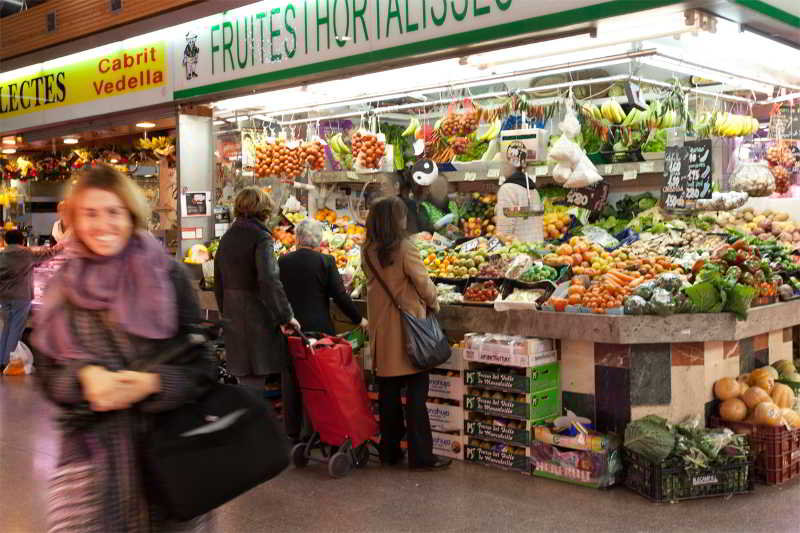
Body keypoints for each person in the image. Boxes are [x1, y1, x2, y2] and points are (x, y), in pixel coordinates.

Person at [31, 165, 217, 532]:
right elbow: (49, 373)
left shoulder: (167, 275)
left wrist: (152, 384)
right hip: (91, 467)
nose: (103, 224)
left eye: (113, 212)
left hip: (169, 459)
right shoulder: (64, 286)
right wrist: (84, 377)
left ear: (130, 215)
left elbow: (203, 365)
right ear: (74, 220)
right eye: (90, 213)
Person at [362, 197, 451, 471]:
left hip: (382, 329)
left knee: (388, 394)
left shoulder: (367, 249)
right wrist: (434, 302)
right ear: (396, 219)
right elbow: (423, 283)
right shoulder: (405, 247)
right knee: (416, 396)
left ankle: (390, 452)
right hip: (410, 330)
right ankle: (421, 456)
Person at [278, 219, 367, 441]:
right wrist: (359, 319)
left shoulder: (283, 261)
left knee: (292, 379)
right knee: (318, 381)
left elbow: (276, 294)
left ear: (297, 238)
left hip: (290, 329)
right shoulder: (325, 261)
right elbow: (340, 296)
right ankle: (316, 431)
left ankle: (292, 431)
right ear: (319, 240)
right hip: (319, 331)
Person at [214, 186, 299, 389]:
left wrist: (226, 313)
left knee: (246, 383)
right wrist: (285, 316)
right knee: (255, 385)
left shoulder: (227, 237)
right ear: (263, 209)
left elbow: (218, 281)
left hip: (234, 316)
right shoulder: (261, 237)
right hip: (256, 319)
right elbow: (269, 279)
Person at [0, 229, 62, 373]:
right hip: (21, 297)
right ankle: (9, 362)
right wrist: (62, 246)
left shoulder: (2, 254)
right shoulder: (26, 253)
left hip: (4, 297)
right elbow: (48, 254)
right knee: (15, 329)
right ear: (22, 241)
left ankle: (1, 360)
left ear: (6, 241)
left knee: (6, 329)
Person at [495, 152, 544, 243]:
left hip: (518, 249)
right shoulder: (533, 189)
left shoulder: (507, 189)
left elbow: (504, 231)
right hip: (536, 247)